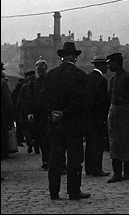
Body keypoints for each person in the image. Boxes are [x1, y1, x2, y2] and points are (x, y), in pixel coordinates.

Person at [40, 41, 90, 200]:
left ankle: (54, 191)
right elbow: (81, 102)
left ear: (62, 57)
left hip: (55, 124)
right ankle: (73, 191)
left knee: (55, 157)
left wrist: (53, 113)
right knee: (74, 159)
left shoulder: (50, 75)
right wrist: (64, 113)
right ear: (74, 57)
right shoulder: (80, 76)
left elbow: (42, 99)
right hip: (73, 124)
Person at [106, 52, 129, 183]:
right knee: (114, 143)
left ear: (116, 63)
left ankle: (128, 171)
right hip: (115, 112)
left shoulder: (128, 78)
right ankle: (117, 173)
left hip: (127, 113)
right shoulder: (113, 79)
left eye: (110, 63)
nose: (108, 66)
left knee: (127, 142)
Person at [23, 58, 51, 170]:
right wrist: (30, 112)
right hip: (38, 115)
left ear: (46, 69)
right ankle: (46, 160)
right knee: (43, 139)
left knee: (49, 139)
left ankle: (49, 160)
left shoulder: (50, 81)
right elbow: (29, 99)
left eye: (42, 68)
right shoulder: (33, 84)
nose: (40, 71)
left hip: (48, 113)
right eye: (38, 69)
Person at [84, 56, 111, 177]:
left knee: (90, 143)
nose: (107, 68)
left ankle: (89, 168)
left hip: (89, 116)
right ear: (101, 66)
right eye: (106, 65)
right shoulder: (102, 80)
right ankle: (97, 169)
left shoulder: (88, 77)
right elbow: (103, 101)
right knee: (98, 144)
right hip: (99, 117)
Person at [15, 70, 38, 154]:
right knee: (35, 128)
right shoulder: (37, 86)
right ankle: (37, 147)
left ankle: (30, 141)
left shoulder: (24, 86)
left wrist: (17, 110)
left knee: (25, 128)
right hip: (35, 110)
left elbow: (19, 99)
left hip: (24, 110)